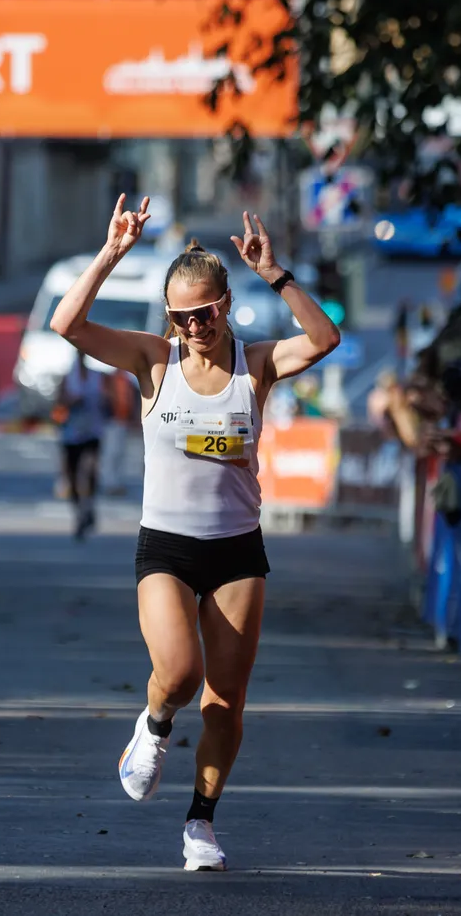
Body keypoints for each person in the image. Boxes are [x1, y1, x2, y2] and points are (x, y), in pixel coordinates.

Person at [50, 198, 339, 872]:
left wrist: (278, 274)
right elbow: (67, 324)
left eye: (205, 313)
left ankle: (200, 824)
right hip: (169, 547)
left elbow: (324, 340)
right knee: (179, 674)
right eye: (181, 317)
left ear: (227, 303)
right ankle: (152, 725)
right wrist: (112, 252)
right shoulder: (155, 362)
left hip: (238, 548)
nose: (195, 327)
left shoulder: (255, 364)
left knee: (225, 701)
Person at [56, 354, 107, 540]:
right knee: (72, 475)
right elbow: (58, 403)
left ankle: (89, 506)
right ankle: (79, 512)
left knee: (90, 469)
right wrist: (70, 401)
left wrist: (104, 400)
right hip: (71, 433)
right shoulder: (67, 377)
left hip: (93, 431)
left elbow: (108, 401)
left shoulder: (97, 376)